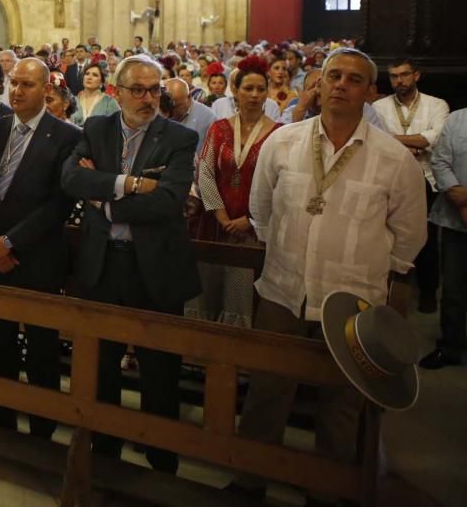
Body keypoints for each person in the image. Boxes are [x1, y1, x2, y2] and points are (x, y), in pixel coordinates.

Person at [228, 48, 427, 499]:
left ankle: (327, 490)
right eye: (332, 76)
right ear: (317, 85)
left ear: (370, 92)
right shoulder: (283, 142)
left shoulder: (393, 158)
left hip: (353, 303)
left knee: (341, 403)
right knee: (267, 392)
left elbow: (409, 236)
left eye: (353, 79)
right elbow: (260, 210)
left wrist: (370, 273)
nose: (340, 84)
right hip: (283, 292)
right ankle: (249, 481)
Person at [61, 54, 201, 474]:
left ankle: (161, 462)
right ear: (116, 92)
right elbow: (70, 179)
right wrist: (128, 184)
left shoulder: (178, 137)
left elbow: (169, 201)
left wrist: (102, 203)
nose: (147, 98)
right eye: (137, 90)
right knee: (100, 366)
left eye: (154, 89)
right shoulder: (96, 128)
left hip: (154, 269)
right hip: (103, 265)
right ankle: (104, 455)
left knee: (160, 371)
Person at [0, 59, 80, 438]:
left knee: (41, 346)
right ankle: (0, 415)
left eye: (26, 85)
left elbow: (59, 203)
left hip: (36, 258)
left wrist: (10, 243)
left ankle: (42, 425)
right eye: (13, 83)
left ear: (46, 90)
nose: (16, 91)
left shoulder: (65, 136)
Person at [190, 56, 279, 328]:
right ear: (236, 91)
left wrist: (249, 220)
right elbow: (204, 172)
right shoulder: (220, 128)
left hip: (253, 227)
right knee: (208, 285)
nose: (254, 95)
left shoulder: (279, 134)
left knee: (240, 291)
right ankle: (201, 354)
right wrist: (220, 216)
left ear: (267, 93)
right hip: (214, 223)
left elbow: (279, 184)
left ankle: (236, 355)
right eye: (248, 88)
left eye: (260, 89)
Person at [375, 59, 449, 314]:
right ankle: (389, 291)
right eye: (394, 76)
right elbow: (376, 139)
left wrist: (395, 142)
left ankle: (428, 292)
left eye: (404, 75)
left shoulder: (436, 104)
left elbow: (435, 137)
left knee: (426, 239)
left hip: (427, 179)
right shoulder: (379, 107)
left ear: (416, 75)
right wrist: (412, 144)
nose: (399, 81)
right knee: (388, 236)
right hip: (389, 179)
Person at [425, 107, 467, 369]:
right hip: (456, 223)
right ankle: (450, 347)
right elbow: (439, 160)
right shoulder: (457, 119)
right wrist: (458, 199)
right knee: (453, 290)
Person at [163, 77, 215, 158]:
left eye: (177, 106)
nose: (172, 110)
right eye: (169, 106)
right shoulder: (160, 112)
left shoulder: (208, 118)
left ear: (189, 97)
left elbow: (212, 155)